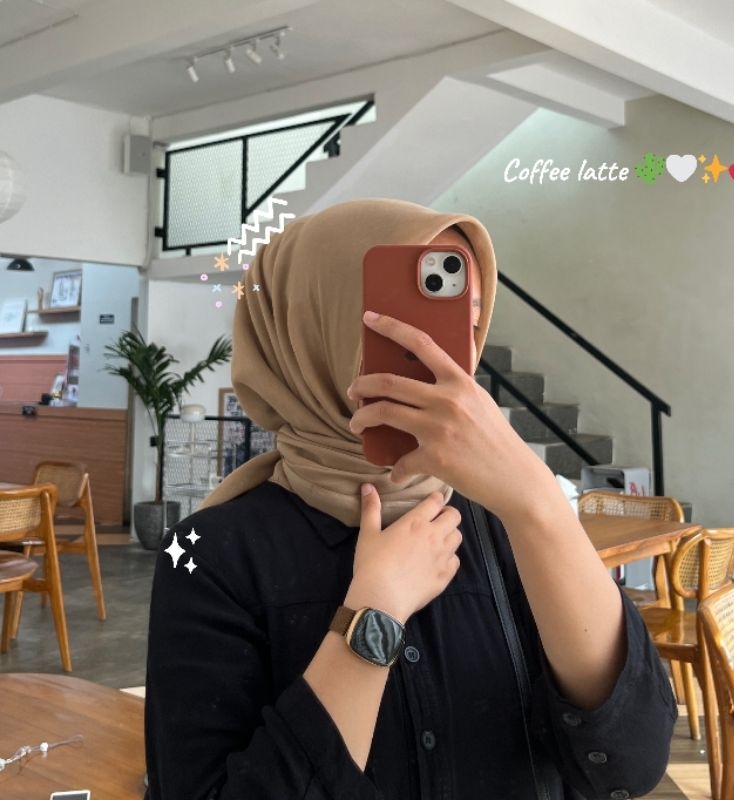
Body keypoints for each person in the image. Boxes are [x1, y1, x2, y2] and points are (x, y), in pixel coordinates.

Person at [144, 199, 676, 799]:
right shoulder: (208, 555)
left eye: (465, 322)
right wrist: (374, 614)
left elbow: (629, 763)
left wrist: (538, 502)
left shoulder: (509, 522)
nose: (448, 357)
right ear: (309, 328)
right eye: (402, 322)